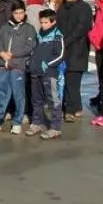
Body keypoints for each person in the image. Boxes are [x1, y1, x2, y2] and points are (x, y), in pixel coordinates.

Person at [0, 0, 36, 135]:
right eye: (16, 13)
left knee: (18, 95)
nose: (19, 16)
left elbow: (30, 47)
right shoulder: (5, 27)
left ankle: (17, 122)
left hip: (18, 67)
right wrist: (1, 53)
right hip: (3, 66)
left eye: (21, 13)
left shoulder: (29, 29)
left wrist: (13, 54)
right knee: (0, 93)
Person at [27, 9, 65, 139]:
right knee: (36, 99)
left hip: (49, 73)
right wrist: (31, 63)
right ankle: (37, 123)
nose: (43, 25)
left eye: (46, 22)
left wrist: (48, 64)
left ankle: (55, 127)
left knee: (53, 100)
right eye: (41, 22)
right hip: (35, 71)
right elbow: (34, 51)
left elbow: (60, 55)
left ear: (53, 22)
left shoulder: (57, 36)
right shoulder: (39, 35)